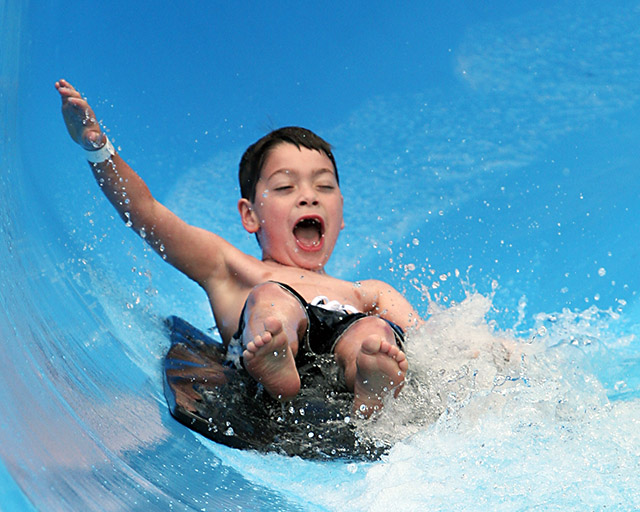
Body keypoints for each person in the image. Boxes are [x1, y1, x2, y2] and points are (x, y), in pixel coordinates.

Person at [55, 79, 423, 418]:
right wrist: (98, 149)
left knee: (374, 333)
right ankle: (275, 363)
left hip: (344, 353)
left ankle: (371, 386)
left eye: (324, 187)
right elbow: (146, 214)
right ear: (250, 215)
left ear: (342, 212)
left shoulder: (368, 292)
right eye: (285, 188)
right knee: (269, 298)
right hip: (266, 345)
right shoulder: (234, 268)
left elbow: (436, 341)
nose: (309, 197)